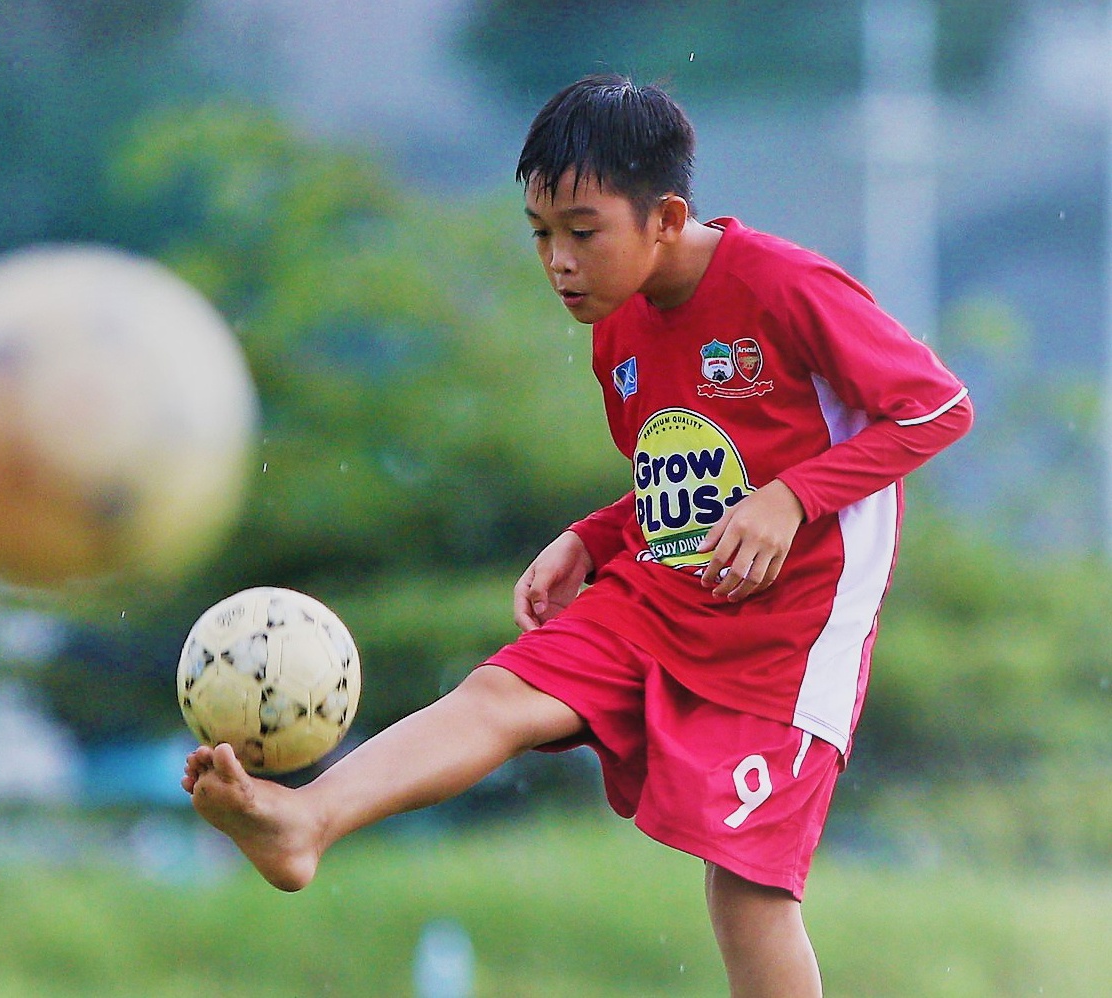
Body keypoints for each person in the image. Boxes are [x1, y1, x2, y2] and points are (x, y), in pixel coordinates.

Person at [182, 73, 973, 996]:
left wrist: (794, 498)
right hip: (660, 590)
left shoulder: (788, 287)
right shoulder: (616, 334)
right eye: (540, 234)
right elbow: (679, 473)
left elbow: (936, 409)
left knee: (748, 893)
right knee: (498, 696)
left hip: (788, 637)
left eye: (582, 232)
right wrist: (596, 537)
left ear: (667, 217)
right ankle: (305, 820)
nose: (558, 260)